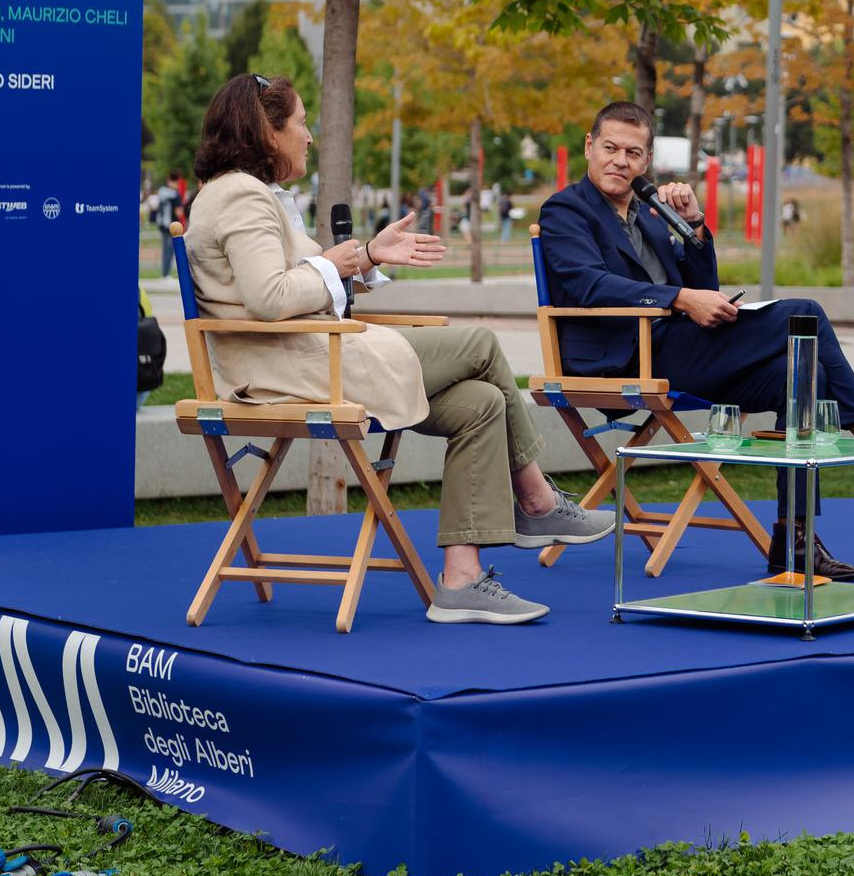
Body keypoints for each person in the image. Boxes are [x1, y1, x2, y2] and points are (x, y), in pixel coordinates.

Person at [183, 73, 614, 625]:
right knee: (481, 343)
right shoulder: (241, 195)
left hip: (309, 358)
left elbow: (298, 281)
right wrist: (338, 263)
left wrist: (366, 255)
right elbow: (270, 298)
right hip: (295, 370)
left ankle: (461, 581)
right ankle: (536, 501)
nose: (309, 136)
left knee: (481, 402)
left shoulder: (242, 194)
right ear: (266, 132)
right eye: (301, 123)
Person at [536, 101, 854, 581]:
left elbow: (703, 282)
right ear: (589, 147)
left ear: (647, 161)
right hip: (624, 358)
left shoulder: (648, 214)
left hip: (679, 349)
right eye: (610, 148)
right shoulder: (565, 210)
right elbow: (588, 286)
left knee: (804, 376)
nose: (620, 160)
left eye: (633, 152)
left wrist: (696, 227)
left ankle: (794, 540)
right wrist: (682, 299)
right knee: (804, 313)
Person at [151, 171, 184, 277]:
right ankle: (165, 274)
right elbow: (178, 212)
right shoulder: (175, 194)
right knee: (169, 250)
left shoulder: (162, 191)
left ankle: (164, 273)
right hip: (172, 225)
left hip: (161, 223)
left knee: (165, 249)